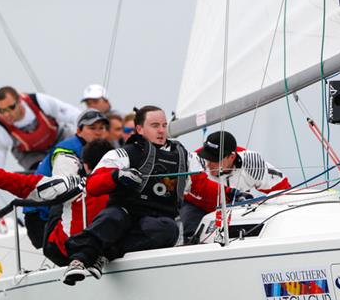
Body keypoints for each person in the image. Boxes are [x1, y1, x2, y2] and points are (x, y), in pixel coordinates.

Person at [62, 105, 247, 285]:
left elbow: (202, 186)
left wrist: (232, 195)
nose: (161, 131)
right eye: (155, 126)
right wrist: (116, 176)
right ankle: (79, 260)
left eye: (164, 126)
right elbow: (93, 185)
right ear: (139, 129)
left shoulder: (184, 157)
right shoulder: (123, 154)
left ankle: (105, 255)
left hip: (156, 220)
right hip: (125, 213)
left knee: (169, 229)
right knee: (113, 217)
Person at [0, 139, 113, 267]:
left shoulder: (73, 183)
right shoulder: (128, 181)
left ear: (85, 165)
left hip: (65, 251)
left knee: (58, 199)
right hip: (112, 246)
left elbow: (22, 184)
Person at [180, 130, 291, 242]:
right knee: (192, 235)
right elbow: (198, 186)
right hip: (198, 206)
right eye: (207, 158)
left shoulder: (251, 164)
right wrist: (232, 193)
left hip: (235, 209)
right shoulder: (196, 161)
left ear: (231, 157)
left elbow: (283, 188)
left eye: (214, 160)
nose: (209, 164)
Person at [23, 109, 109, 248]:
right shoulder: (66, 151)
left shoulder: (98, 149)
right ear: (79, 131)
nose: (98, 132)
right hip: (41, 216)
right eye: (92, 128)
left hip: (60, 211)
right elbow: (65, 190)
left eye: (102, 128)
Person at [0, 86, 81, 173]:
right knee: (44, 172)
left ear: (19, 101)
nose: (6, 115)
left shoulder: (39, 101)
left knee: (79, 152)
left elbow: (74, 115)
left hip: (59, 139)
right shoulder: (0, 129)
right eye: (1, 110)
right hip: (33, 157)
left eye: (11, 108)